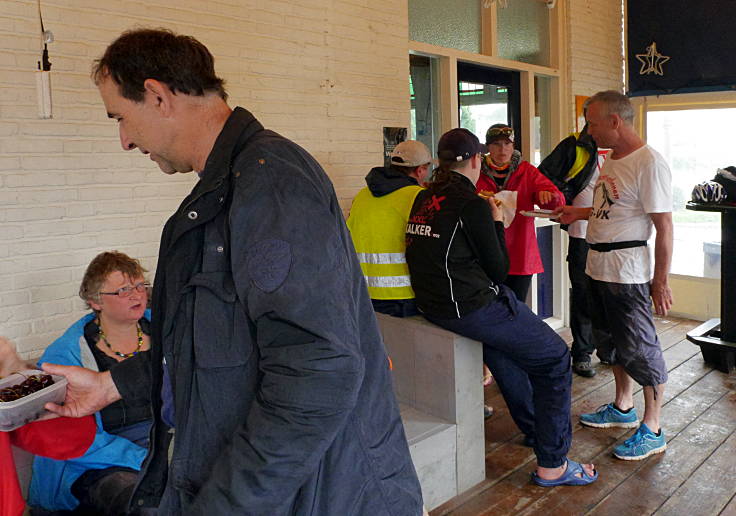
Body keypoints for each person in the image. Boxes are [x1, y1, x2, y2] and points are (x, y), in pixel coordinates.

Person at [42, 28, 422, 515]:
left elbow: (316, 371)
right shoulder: (224, 192)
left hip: (323, 495)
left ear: (157, 96)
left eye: (121, 117)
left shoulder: (271, 182)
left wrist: (226, 505)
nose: (124, 140)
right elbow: (213, 343)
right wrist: (111, 385)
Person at [405, 127, 597, 487]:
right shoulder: (472, 204)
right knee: (555, 358)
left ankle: (534, 430)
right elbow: (498, 268)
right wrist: (495, 222)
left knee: (501, 352)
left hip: (435, 304)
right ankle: (553, 462)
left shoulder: (423, 198)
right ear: (478, 159)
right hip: (471, 306)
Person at [557, 90, 673, 461]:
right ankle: (623, 406)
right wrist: (577, 214)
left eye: (592, 123)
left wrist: (660, 281)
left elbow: (665, 226)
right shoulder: (611, 160)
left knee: (639, 346)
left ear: (615, 121)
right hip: (597, 265)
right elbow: (611, 207)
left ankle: (653, 426)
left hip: (628, 271)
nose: (588, 131)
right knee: (610, 341)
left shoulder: (649, 162)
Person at [29, 251, 152, 515]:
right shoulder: (64, 355)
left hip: (163, 441)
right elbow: (72, 441)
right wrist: (147, 460)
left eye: (141, 285)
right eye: (123, 290)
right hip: (96, 460)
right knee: (143, 502)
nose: (137, 294)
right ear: (95, 301)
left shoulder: (166, 330)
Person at [538, 122, 611, 377]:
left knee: (608, 294)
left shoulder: (622, 150)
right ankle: (582, 352)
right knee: (583, 292)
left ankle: (608, 349)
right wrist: (561, 198)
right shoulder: (574, 145)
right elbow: (543, 176)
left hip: (615, 236)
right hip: (581, 232)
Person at [475, 124, 565, 302]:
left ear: (513, 145)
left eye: (507, 144)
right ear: (488, 147)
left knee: (516, 307)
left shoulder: (527, 172)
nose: (503, 149)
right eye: (496, 144)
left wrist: (548, 196)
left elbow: (558, 202)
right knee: (489, 306)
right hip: (487, 254)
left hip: (520, 254)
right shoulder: (476, 171)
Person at [346, 140, 432, 317]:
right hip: (402, 295)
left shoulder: (362, 195)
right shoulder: (418, 197)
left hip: (362, 292)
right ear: (420, 170)